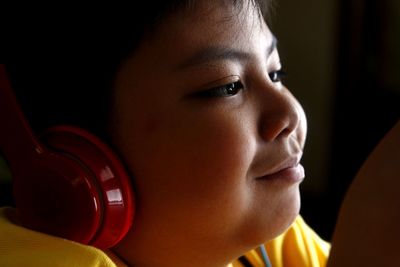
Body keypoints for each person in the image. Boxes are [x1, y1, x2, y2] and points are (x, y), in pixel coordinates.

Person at [0, 0, 398, 266]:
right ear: (81, 166)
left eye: (276, 74)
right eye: (227, 87)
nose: (289, 112)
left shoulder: (263, 244)